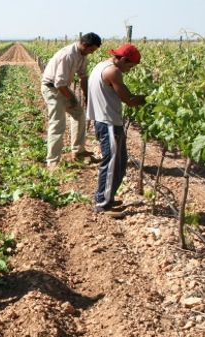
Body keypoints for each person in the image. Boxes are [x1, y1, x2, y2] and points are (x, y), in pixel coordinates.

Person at [86, 44, 147, 218]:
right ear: (123, 59)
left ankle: (108, 197)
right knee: (112, 163)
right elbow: (129, 100)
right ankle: (102, 204)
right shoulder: (113, 72)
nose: (130, 69)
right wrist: (152, 98)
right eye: (130, 65)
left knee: (120, 163)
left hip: (105, 121)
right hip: (109, 123)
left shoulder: (101, 65)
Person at [41, 32, 102, 170]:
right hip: (52, 89)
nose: (92, 53)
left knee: (79, 114)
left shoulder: (82, 55)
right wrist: (71, 98)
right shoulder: (68, 55)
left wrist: (87, 95)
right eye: (92, 50)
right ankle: (53, 162)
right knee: (58, 124)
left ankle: (78, 151)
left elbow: (83, 77)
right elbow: (59, 84)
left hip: (63, 88)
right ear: (85, 45)